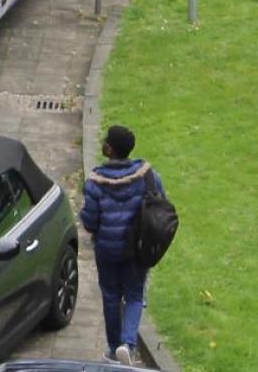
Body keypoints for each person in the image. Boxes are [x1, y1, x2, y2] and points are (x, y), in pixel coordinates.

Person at [83, 124, 167, 365]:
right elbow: (161, 206)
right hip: (136, 249)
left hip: (107, 250)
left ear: (109, 149)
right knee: (134, 295)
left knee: (110, 296)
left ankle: (112, 348)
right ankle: (127, 345)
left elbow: (90, 221)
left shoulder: (95, 182)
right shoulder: (148, 176)